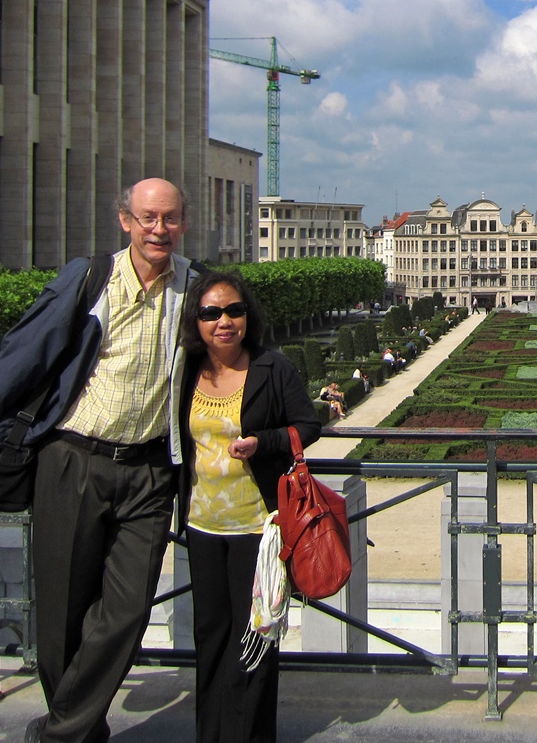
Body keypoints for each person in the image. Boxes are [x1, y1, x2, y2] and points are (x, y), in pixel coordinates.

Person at [0, 178, 198, 743]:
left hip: (152, 471)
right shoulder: (87, 279)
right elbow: (20, 359)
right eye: (148, 218)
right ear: (124, 221)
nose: (159, 229)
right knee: (61, 614)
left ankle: (59, 733)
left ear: (183, 223)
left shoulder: (195, 288)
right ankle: (79, 729)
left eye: (170, 218)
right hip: (72, 460)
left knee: (128, 612)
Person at [179, 270, 321, 743]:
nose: (224, 321)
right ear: (196, 320)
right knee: (211, 637)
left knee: (255, 639)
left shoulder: (271, 367)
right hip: (201, 526)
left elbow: (308, 425)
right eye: (212, 312)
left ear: (248, 316)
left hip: (259, 528)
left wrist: (264, 442)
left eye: (235, 311)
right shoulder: (184, 372)